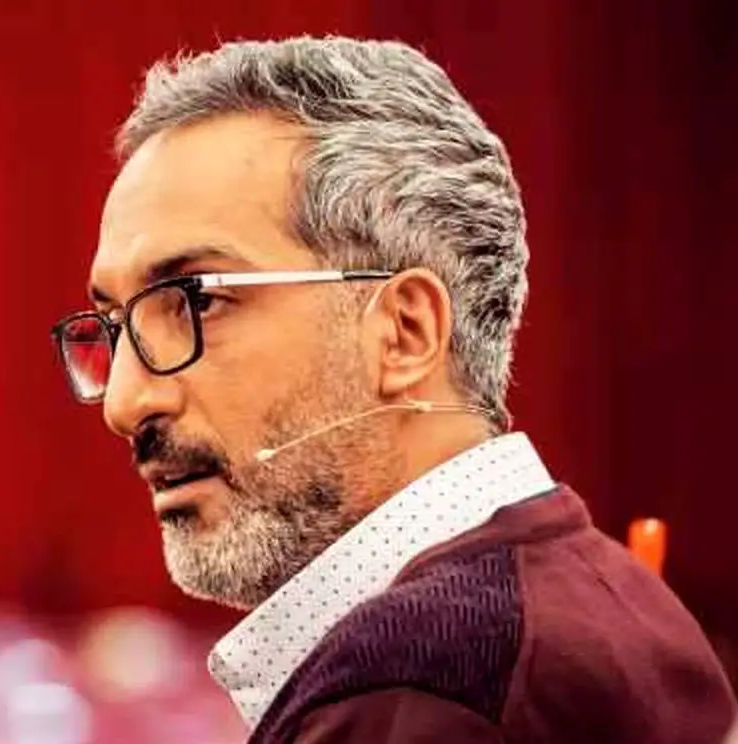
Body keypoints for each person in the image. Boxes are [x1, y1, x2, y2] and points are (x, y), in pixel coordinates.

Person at [49, 36, 737, 743]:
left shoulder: (425, 690)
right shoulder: (603, 595)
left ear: (405, 333)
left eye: (195, 302)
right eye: (115, 326)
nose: (124, 403)